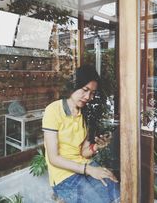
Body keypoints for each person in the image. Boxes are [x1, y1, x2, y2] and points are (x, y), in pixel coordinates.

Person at [42, 65, 120, 203]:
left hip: (84, 165)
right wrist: (89, 170)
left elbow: (83, 152)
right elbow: (53, 158)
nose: (88, 97)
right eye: (85, 90)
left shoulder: (84, 114)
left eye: (92, 93)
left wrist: (96, 147)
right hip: (63, 174)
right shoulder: (53, 110)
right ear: (73, 86)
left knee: (116, 193)